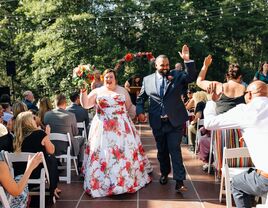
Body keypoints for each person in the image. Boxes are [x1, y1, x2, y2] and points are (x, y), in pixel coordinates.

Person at [80, 69, 152, 198]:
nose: (108, 79)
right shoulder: (97, 91)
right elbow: (86, 104)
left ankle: (125, 181)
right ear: (103, 79)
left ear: (115, 78)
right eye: (106, 77)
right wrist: (83, 92)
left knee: (123, 153)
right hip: (102, 128)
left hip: (122, 128)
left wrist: (140, 114)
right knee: (104, 154)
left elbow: (130, 107)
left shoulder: (122, 91)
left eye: (110, 77)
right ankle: (104, 182)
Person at [136, 45, 197, 192]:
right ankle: (164, 172)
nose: (165, 67)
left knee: (174, 149)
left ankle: (180, 181)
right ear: (156, 65)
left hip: (175, 121)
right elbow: (140, 98)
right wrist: (140, 111)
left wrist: (187, 60)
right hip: (157, 121)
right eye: (162, 65)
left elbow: (191, 77)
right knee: (162, 150)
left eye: (167, 65)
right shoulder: (147, 80)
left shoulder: (176, 75)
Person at [204, 80, 268, 208]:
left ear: (249, 94)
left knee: (237, 184)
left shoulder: (245, 111)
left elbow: (209, 123)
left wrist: (212, 101)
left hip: (266, 178)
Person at [196, 55, 247, 177]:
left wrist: (205, 66)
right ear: (240, 77)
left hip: (221, 134)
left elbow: (198, 81)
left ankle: (221, 171)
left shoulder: (218, 86)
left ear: (226, 76)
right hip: (241, 133)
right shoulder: (247, 89)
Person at [13, 111, 61, 199]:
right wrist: (47, 135)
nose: (35, 120)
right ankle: (53, 188)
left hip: (18, 176)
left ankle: (54, 187)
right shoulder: (39, 134)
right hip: (36, 173)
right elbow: (51, 150)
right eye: (33, 118)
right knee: (52, 158)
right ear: (29, 122)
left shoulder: (15, 138)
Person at [43, 94, 85, 170]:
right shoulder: (71, 115)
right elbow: (75, 133)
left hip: (50, 146)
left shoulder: (47, 115)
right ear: (65, 103)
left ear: (55, 103)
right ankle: (80, 164)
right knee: (82, 139)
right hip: (66, 147)